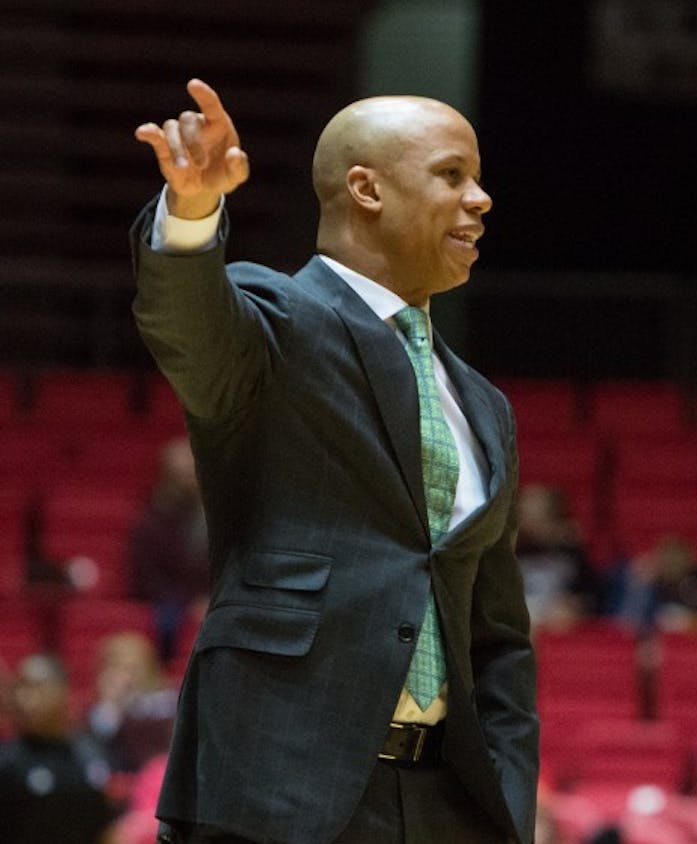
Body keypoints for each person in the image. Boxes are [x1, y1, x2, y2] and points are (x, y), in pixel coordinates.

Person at [132, 80, 536, 843]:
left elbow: (499, 636)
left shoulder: (486, 407)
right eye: (452, 175)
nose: (480, 199)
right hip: (276, 798)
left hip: (449, 806)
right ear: (366, 187)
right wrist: (190, 212)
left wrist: (507, 804)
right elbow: (186, 325)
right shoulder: (277, 322)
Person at [0, 654, 119, 844]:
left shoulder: (91, 755)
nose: (25, 699)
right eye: (20, 689)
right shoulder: (7, 763)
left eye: (36, 687)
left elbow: (105, 829)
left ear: (64, 692)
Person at [126, 437, 208, 660]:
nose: (187, 482)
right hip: (169, 600)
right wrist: (190, 602)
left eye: (192, 474)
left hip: (212, 597)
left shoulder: (217, 517)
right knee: (167, 619)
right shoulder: (150, 521)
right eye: (180, 476)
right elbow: (146, 576)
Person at [87, 632, 177, 773]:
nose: (127, 677)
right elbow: (100, 741)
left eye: (134, 668)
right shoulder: (99, 711)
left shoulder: (168, 703)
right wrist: (111, 703)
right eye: (119, 668)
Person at [515, 485, 597, 631]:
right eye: (525, 514)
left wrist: (574, 606)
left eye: (538, 515)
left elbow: (590, 598)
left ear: (553, 518)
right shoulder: (507, 550)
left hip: (556, 625)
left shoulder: (571, 553)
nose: (530, 522)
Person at [598, 535, 697, 633]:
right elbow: (623, 624)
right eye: (668, 557)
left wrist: (683, 621)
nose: (673, 563)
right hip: (628, 640)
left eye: (677, 559)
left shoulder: (692, 586)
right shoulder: (645, 583)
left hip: (679, 647)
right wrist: (636, 584)